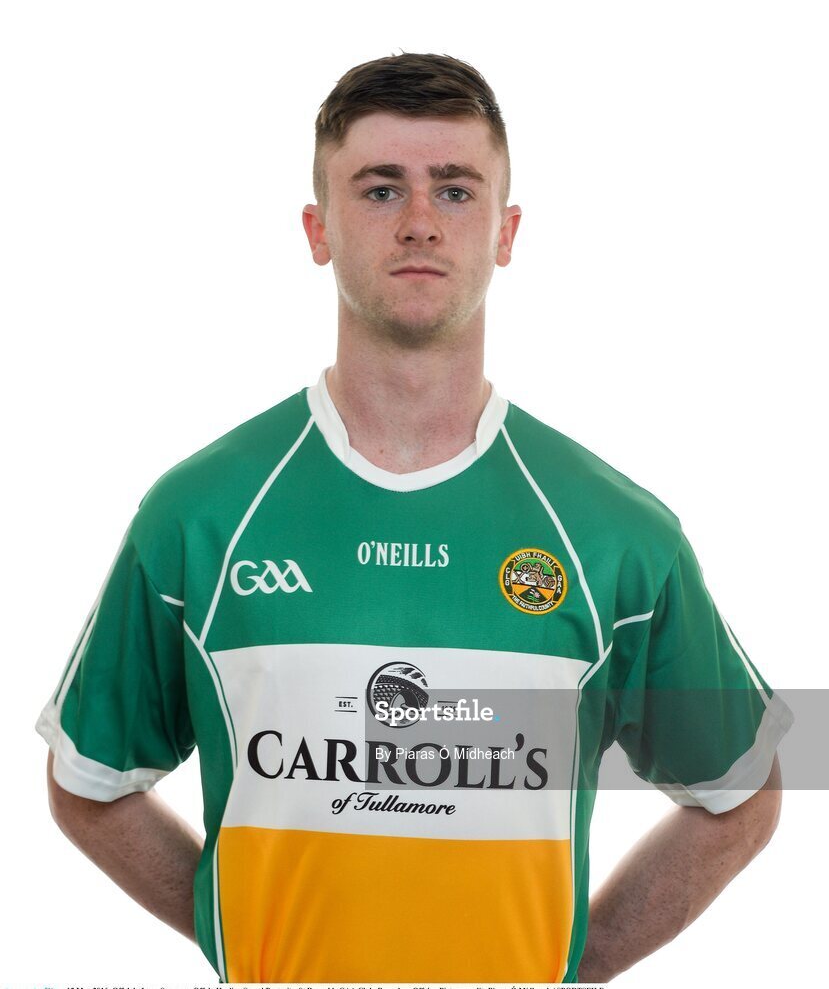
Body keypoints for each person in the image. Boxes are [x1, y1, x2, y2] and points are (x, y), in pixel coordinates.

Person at [38, 51, 793, 983]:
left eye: (456, 189)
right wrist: (236, 937)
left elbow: (741, 795)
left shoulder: (611, 533)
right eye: (381, 189)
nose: (422, 222)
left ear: (506, 232)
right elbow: (90, 788)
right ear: (319, 229)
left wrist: (570, 961)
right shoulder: (202, 514)